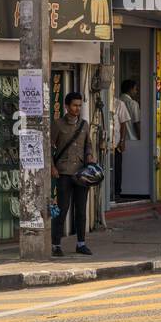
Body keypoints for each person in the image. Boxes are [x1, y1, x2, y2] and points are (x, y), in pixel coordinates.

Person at [51, 91, 96, 257]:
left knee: (81, 211)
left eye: (79, 105)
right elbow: (49, 147)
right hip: (63, 173)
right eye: (74, 105)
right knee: (62, 210)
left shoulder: (84, 125)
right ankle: (56, 244)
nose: (77, 108)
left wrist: (90, 156)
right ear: (67, 106)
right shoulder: (57, 124)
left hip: (81, 174)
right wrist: (52, 167)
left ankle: (81, 243)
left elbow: (88, 145)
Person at [112, 80, 137, 199]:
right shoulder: (99, 102)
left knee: (117, 168)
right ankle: (109, 194)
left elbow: (123, 123)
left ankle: (116, 193)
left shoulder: (119, 103)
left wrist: (122, 141)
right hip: (104, 143)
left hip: (116, 143)